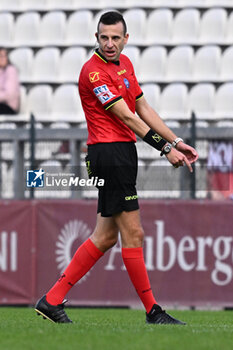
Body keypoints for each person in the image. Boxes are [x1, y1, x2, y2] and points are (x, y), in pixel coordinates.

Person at [35, 11, 198, 325]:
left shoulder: (126, 65)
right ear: (96, 38)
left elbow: (143, 107)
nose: (109, 44)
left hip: (120, 153)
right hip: (109, 156)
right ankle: (153, 311)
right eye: (104, 37)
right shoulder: (93, 73)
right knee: (133, 234)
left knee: (105, 236)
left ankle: (52, 299)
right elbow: (126, 117)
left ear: (126, 39)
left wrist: (176, 141)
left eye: (115, 38)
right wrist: (164, 149)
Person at [0, 47, 20, 115]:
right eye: (0, 56)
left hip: (8, 106)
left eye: (4, 56)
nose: (2, 58)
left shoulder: (11, 70)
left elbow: (9, 94)